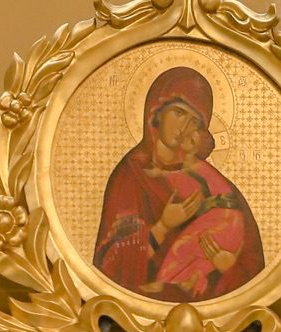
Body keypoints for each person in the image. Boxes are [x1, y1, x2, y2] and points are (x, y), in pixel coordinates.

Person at [93, 66, 265, 302]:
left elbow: (252, 268)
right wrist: (162, 227)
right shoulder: (131, 176)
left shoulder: (214, 182)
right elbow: (109, 266)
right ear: (156, 110)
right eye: (178, 113)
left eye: (194, 121)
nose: (184, 128)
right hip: (138, 310)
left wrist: (228, 266)